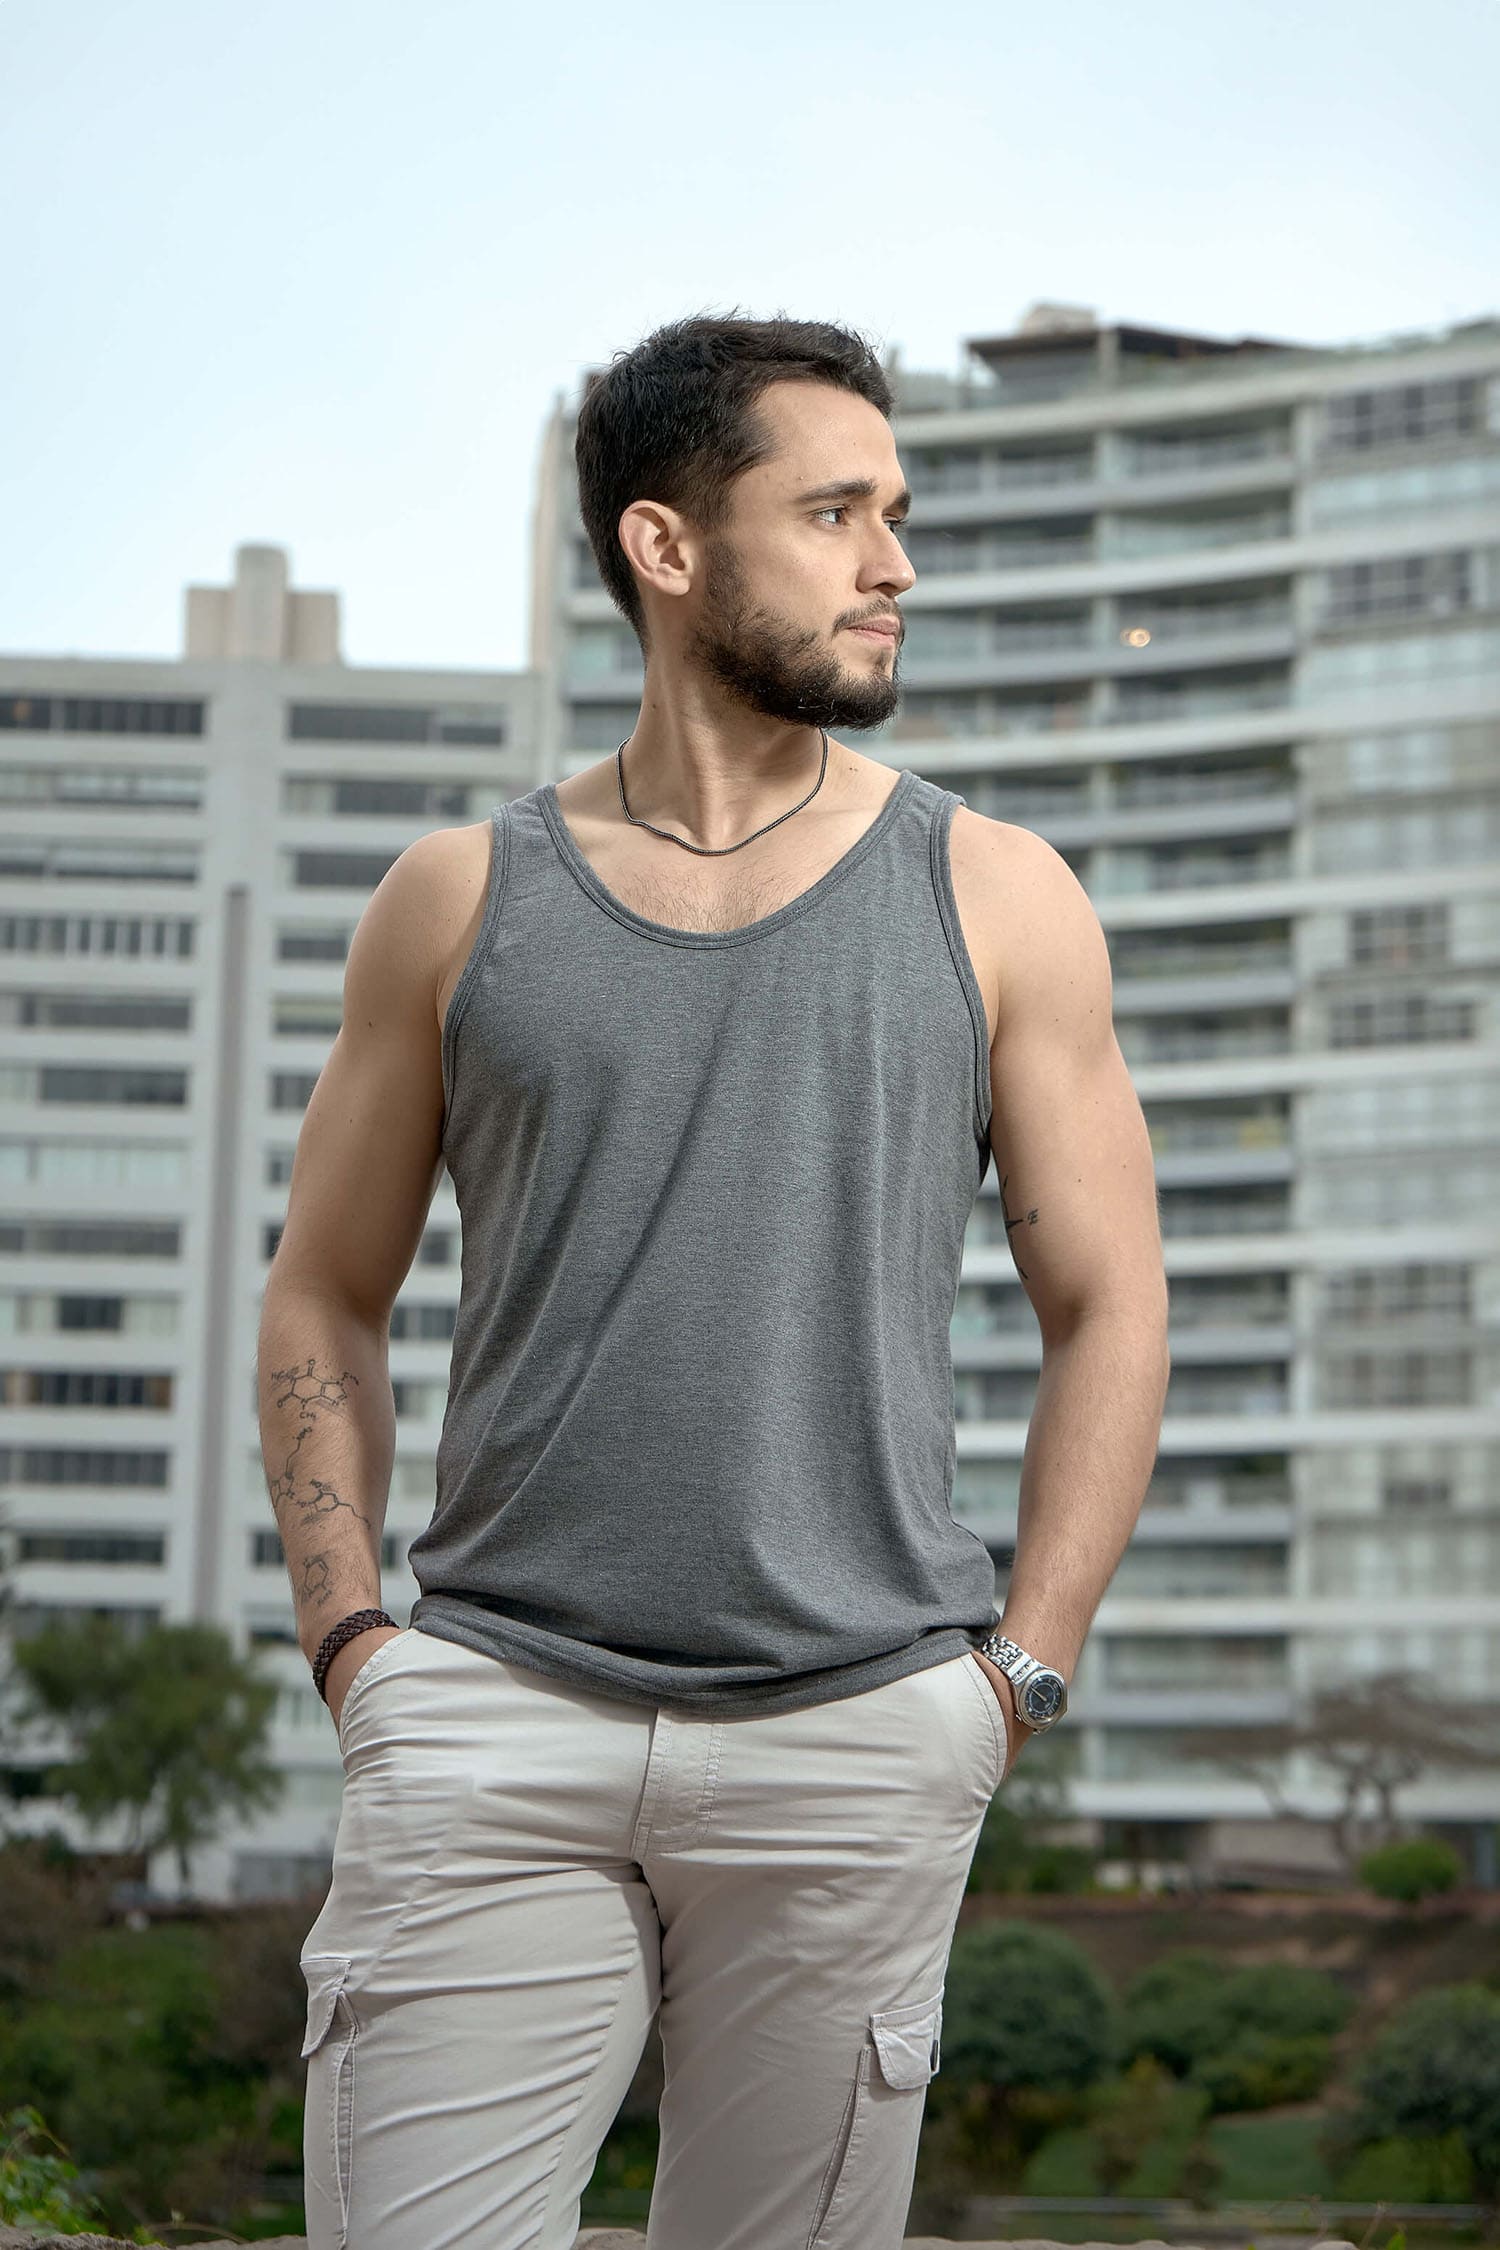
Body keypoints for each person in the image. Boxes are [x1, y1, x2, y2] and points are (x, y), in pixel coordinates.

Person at [258, 312, 1170, 2250]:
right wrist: (355, 1648)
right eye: (834, 514)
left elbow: (1112, 1306)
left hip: (862, 1732)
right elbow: (321, 1289)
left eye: (895, 514)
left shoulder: (998, 896)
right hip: (494, 1719)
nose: (892, 564)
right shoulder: (456, 900)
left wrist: (1014, 1678)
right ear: (665, 548)